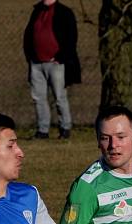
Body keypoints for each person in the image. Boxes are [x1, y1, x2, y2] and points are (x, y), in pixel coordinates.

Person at [23, 0, 80, 140]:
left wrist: (61, 57)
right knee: (38, 98)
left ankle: (65, 128)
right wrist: (30, 56)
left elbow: (71, 37)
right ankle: (42, 130)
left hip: (56, 64)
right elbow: (29, 34)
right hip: (36, 63)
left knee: (60, 97)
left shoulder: (64, 12)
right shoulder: (37, 11)